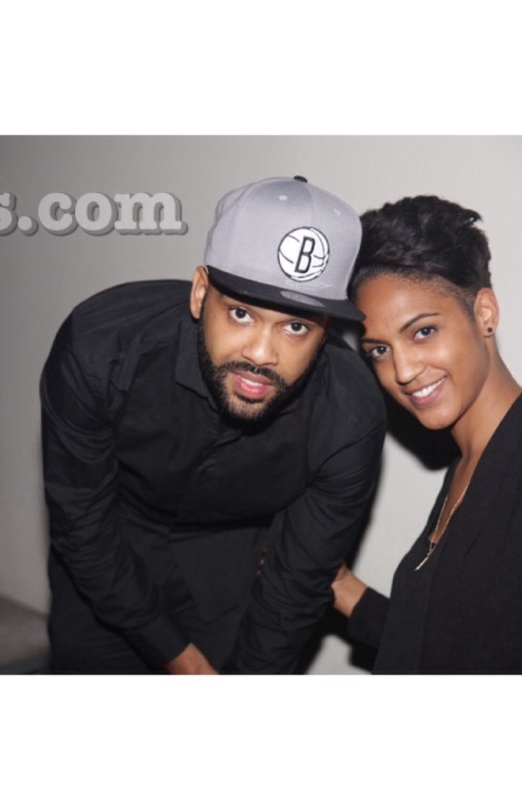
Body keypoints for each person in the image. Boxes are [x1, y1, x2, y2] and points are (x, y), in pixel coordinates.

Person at [41, 176, 386, 674]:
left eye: (296, 326)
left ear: (326, 330)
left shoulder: (348, 415)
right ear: (201, 293)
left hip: (231, 573)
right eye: (241, 313)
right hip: (106, 557)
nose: (261, 354)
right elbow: (82, 523)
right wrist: (180, 658)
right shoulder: (102, 350)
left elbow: (295, 585)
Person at [332, 195, 522, 674]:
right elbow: (451, 648)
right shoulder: (461, 474)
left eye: (423, 332)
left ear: (484, 313)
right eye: (379, 351)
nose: (402, 371)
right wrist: (342, 588)